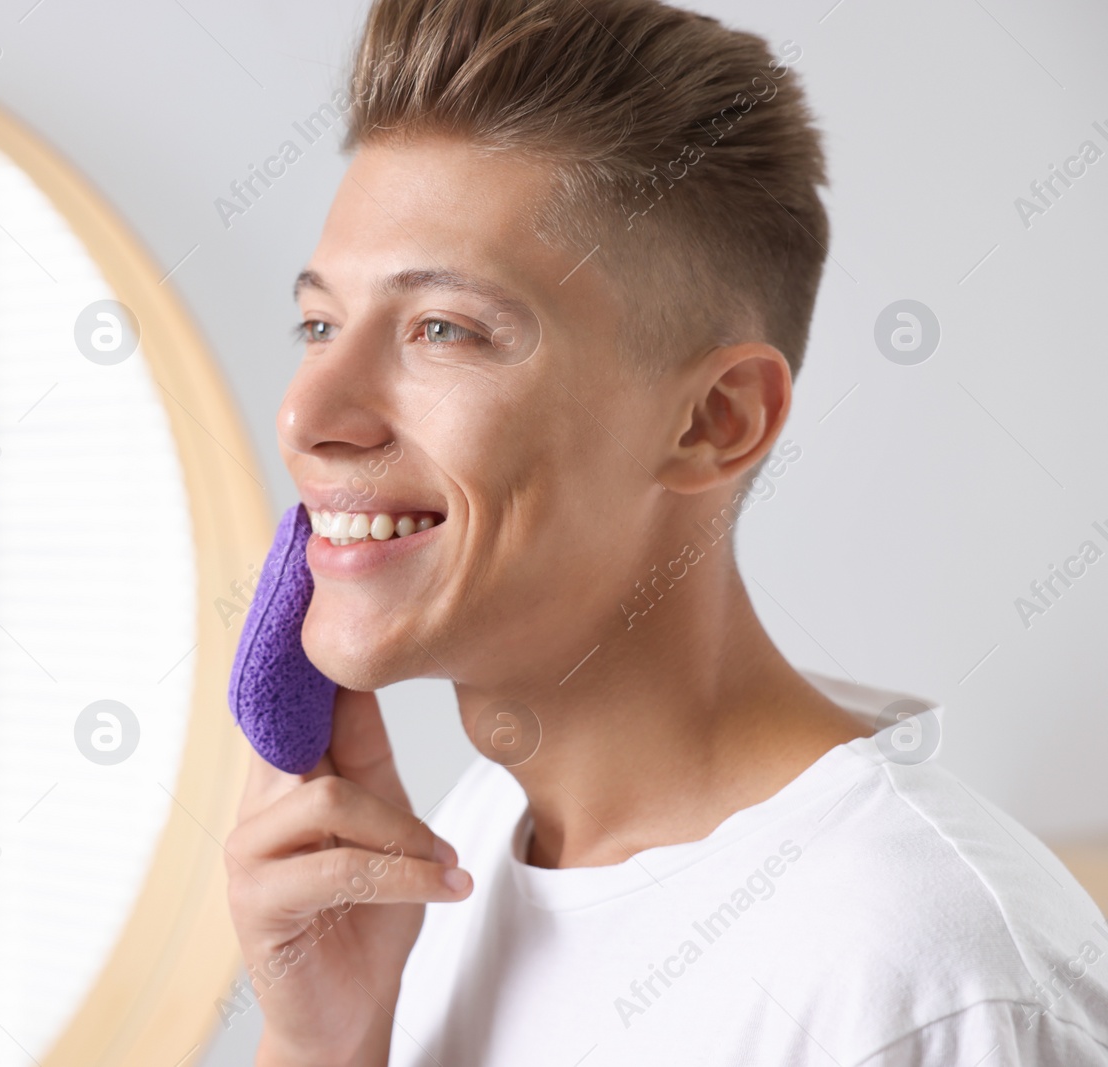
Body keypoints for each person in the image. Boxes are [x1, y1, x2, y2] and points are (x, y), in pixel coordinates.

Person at [222, 0, 1108, 1064]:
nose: (307, 416)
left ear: (712, 421)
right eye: (319, 323)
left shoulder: (924, 981)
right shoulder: (461, 853)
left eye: (442, 329)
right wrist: (322, 1038)